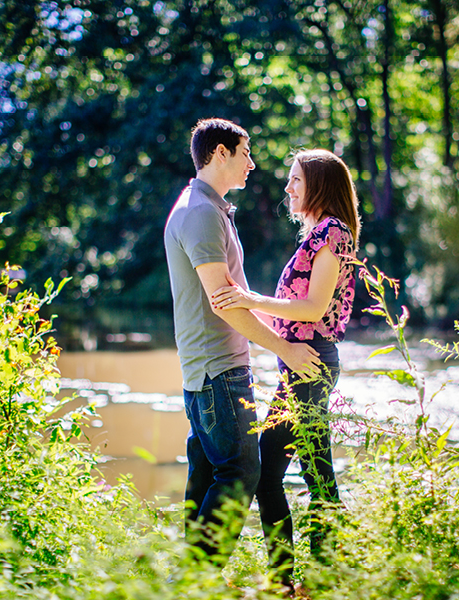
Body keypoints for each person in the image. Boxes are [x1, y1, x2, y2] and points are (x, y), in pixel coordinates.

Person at [163, 119, 322, 566]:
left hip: (208, 369)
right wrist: (284, 348)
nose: (252, 163)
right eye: (244, 152)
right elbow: (223, 303)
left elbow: (234, 297)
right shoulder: (200, 213)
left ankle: (189, 578)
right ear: (219, 153)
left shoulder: (207, 208)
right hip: (218, 370)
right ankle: (199, 580)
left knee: (208, 473)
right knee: (240, 473)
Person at [211, 149, 361, 589]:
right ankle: (293, 581)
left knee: (309, 475)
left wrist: (249, 298)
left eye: (296, 180)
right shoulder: (318, 233)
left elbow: (313, 308)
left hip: (310, 363)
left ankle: (311, 581)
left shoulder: (332, 232)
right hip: (300, 366)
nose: (288, 188)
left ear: (319, 184)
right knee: (284, 473)